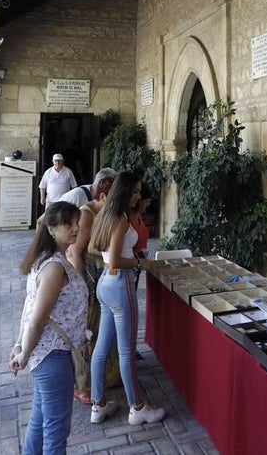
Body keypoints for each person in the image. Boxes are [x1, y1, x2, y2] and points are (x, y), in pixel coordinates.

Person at [8, 202, 88, 455]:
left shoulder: (52, 260)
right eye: (68, 223)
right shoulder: (53, 267)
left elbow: (29, 306)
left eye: (77, 221)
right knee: (56, 429)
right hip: (52, 354)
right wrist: (23, 351)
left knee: (41, 418)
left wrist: (21, 345)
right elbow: (37, 319)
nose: (76, 228)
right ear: (52, 230)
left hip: (50, 353)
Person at [87, 172, 166, 426]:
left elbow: (93, 248)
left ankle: (98, 404)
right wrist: (138, 262)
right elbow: (116, 259)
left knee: (101, 349)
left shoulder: (107, 215)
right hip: (120, 284)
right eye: (134, 192)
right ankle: (137, 407)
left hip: (105, 285)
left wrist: (114, 258)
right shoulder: (120, 219)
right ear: (124, 192)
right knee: (126, 352)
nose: (138, 197)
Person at [65, 170, 118, 405]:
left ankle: (104, 374)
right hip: (87, 279)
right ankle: (81, 383)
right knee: (85, 330)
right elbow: (76, 252)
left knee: (99, 329)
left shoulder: (106, 212)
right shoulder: (87, 213)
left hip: (100, 277)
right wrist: (79, 287)